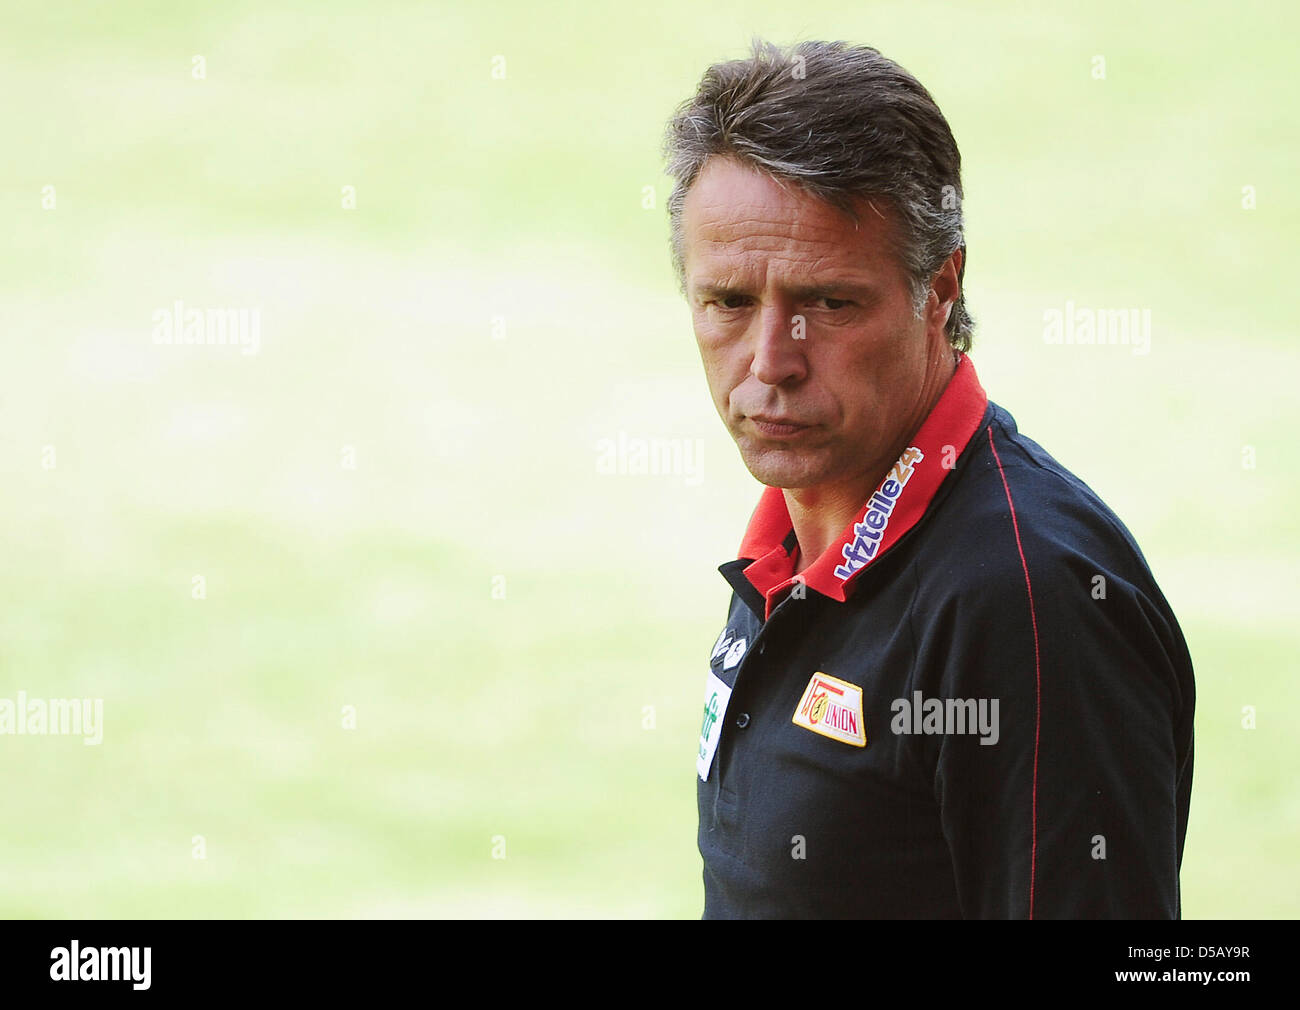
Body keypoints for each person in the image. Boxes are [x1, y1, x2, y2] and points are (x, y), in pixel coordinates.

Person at [663, 37, 1195, 918]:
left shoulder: (1026, 600)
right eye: (729, 302)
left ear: (939, 288)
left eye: (828, 303)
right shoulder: (796, 542)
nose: (769, 363)